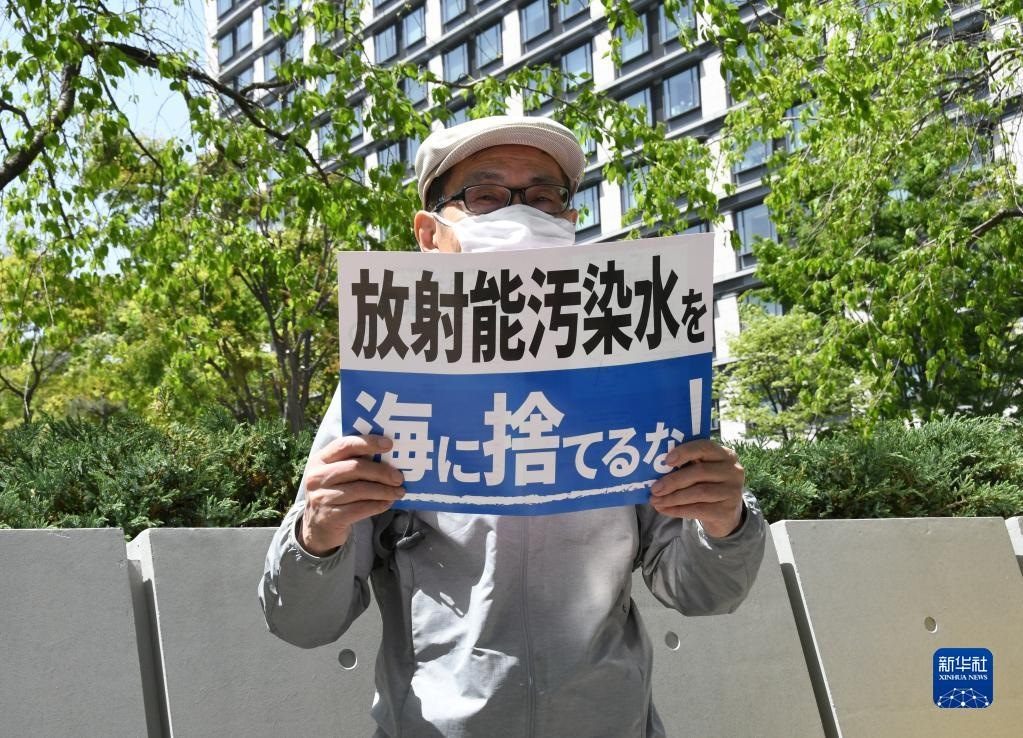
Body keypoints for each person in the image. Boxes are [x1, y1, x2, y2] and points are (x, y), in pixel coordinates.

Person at [259, 115, 767, 738]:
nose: (521, 215)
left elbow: (702, 593)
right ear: (430, 234)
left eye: (544, 197)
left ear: (570, 221)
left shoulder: (634, 375)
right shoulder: (385, 390)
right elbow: (301, 622)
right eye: (486, 195)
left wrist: (724, 523)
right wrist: (317, 534)